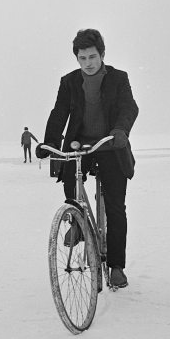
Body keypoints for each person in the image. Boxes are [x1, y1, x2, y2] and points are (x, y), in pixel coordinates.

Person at [35, 28, 138, 289]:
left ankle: (116, 266)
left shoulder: (118, 78)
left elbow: (129, 107)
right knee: (72, 183)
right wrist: (49, 142)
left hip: (110, 145)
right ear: (77, 59)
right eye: (82, 58)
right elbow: (59, 112)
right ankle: (78, 221)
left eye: (92, 57)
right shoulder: (69, 82)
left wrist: (120, 131)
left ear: (102, 54)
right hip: (80, 145)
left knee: (115, 208)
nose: (88, 63)